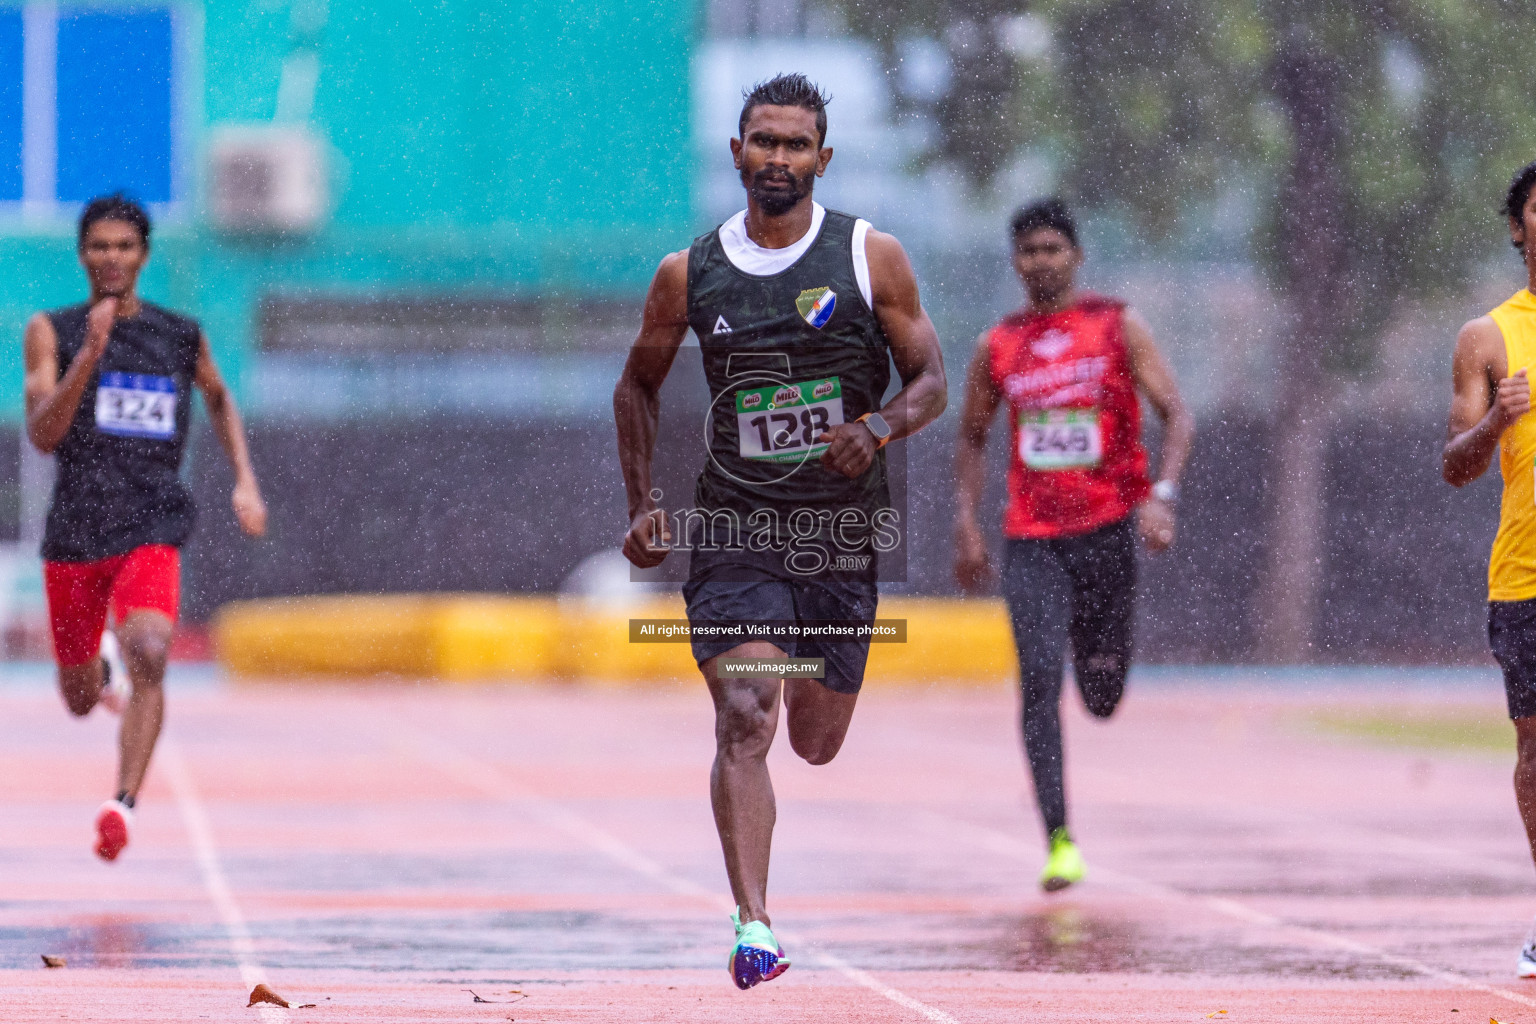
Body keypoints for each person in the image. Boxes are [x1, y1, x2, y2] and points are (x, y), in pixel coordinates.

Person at [614, 74, 947, 988]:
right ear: (736, 153)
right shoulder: (688, 274)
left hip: (838, 539)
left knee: (815, 738)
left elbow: (930, 382)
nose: (778, 159)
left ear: (822, 160)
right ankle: (753, 922)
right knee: (746, 712)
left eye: (797, 145)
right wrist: (643, 500)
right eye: (764, 141)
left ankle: (812, 690)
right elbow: (636, 384)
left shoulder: (870, 258)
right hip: (735, 527)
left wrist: (876, 427)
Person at [953, 198, 1193, 892]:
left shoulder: (1116, 325)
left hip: (1108, 530)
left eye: (1053, 249)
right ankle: (1060, 839)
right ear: (1014, 262)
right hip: (1032, 538)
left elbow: (1177, 414)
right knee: (1036, 685)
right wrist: (966, 522)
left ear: (1076, 256)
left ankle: (1106, 659)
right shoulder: (997, 345)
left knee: (1100, 694)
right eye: (1029, 251)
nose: (1041, 262)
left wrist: (1161, 496)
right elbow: (971, 435)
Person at [22, 194, 267, 862]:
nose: (111, 258)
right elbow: (42, 434)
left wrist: (244, 476)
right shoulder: (52, 330)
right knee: (77, 699)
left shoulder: (178, 335)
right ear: (82, 255)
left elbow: (218, 395)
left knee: (153, 651)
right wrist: (89, 357)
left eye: (124, 247)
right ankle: (97, 671)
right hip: (75, 530)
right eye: (99, 246)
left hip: (150, 520)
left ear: (144, 257)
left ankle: (121, 803)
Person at [1442, 159, 1536, 978]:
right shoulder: (1489, 338)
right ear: (1518, 228)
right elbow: (1455, 465)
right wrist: (1495, 424)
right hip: (1526, 576)